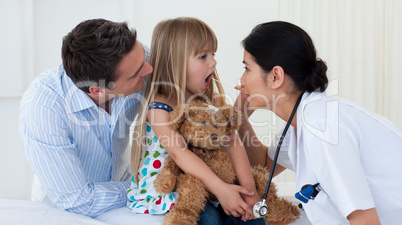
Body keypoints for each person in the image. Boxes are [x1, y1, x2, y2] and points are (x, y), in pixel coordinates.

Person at [234, 21, 402, 225]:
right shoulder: (302, 120)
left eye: (247, 68)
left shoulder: (320, 126)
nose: (241, 80)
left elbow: (365, 221)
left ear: (276, 76)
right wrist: (238, 118)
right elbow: (263, 165)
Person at [127, 17, 265, 225]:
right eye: (203, 56)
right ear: (176, 61)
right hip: (174, 185)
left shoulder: (207, 103)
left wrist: (249, 191)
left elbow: (233, 143)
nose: (214, 62)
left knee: (249, 216)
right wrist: (220, 189)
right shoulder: (160, 105)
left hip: (209, 183)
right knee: (207, 218)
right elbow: (178, 152)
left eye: (213, 54)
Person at [19, 18, 153, 218]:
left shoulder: (135, 61)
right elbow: (76, 201)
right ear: (98, 90)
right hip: (63, 210)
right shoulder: (43, 107)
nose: (149, 70)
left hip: (124, 193)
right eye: (137, 74)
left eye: (144, 58)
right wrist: (147, 185)